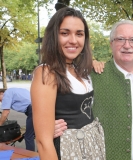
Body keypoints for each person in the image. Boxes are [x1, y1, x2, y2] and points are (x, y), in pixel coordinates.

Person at [55, 19, 133, 160]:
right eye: (120, 39)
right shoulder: (94, 75)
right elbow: (69, 106)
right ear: (111, 44)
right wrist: (51, 126)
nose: (127, 45)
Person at [30, 7, 105, 160]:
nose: (73, 40)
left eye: (79, 34)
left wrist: (94, 61)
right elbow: (43, 141)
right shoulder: (47, 72)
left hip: (90, 148)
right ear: (53, 36)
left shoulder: (79, 69)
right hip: (68, 151)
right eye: (65, 33)